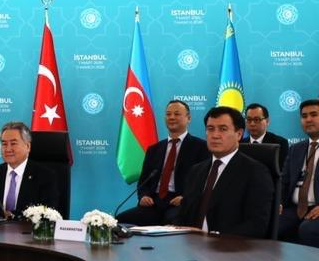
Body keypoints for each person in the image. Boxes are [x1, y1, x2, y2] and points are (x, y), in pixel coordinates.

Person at [176, 106, 273, 237]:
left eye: (223, 129)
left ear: (239, 134)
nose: (215, 135)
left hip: (228, 245)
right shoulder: (196, 171)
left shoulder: (255, 172)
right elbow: (183, 214)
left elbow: (256, 225)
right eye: (210, 129)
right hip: (190, 242)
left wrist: (214, 238)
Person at [117, 100, 211, 226]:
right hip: (154, 203)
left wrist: (186, 198)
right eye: (168, 114)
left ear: (188, 118)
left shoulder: (201, 147)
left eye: (177, 114)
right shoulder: (154, 149)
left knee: (173, 222)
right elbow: (143, 182)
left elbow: (205, 181)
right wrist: (143, 196)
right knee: (119, 220)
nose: (171, 117)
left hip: (179, 202)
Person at [0, 121, 58, 218]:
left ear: (28, 146)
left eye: (13, 143)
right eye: (4, 144)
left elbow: (47, 211)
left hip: (28, 227)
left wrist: (12, 215)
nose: (8, 149)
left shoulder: (45, 176)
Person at [279, 99, 319, 245]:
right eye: (304, 116)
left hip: (317, 208)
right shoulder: (296, 148)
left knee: (307, 230)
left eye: (314, 115)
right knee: (270, 223)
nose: (308, 119)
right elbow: (284, 181)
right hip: (294, 208)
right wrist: (279, 202)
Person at [241, 103, 290, 172]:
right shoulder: (240, 144)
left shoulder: (280, 143)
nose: (252, 124)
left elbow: (282, 172)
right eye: (249, 119)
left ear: (267, 121)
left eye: (257, 119)